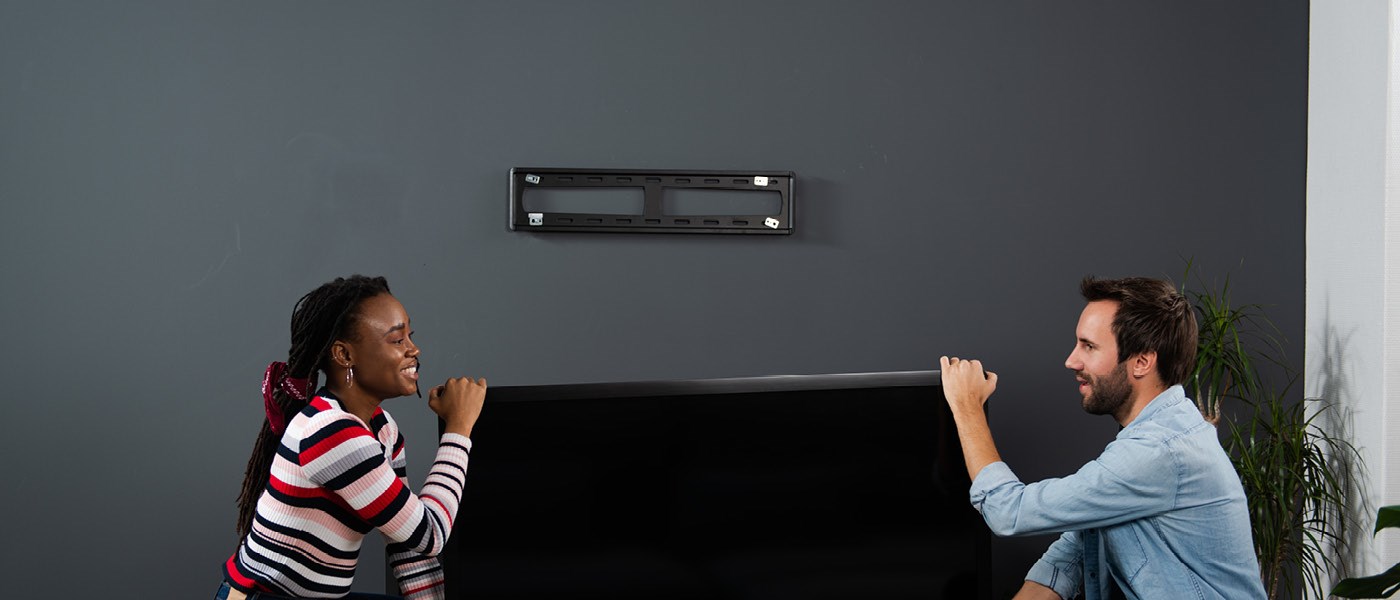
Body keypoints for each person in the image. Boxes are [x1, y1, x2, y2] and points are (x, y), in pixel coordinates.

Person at [938, 276, 1266, 600]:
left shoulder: (1159, 451)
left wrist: (967, 407)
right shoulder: (1150, 442)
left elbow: (1008, 512)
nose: (1071, 361)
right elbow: (1068, 559)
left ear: (1141, 362)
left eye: (1089, 346)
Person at [216, 275, 486, 600]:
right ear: (344, 355)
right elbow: (430, 534)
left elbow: (409, 545)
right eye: (397, 340)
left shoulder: (382, 429)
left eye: (410, 337)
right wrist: (459, 427)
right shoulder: (331, 432)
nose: (414, 349)